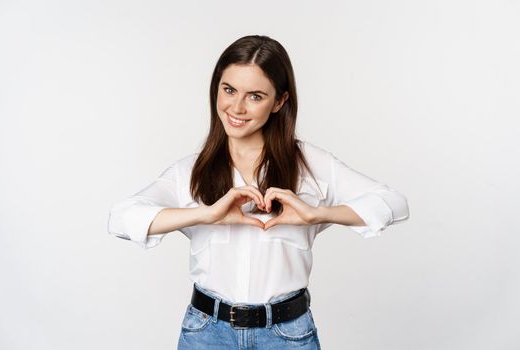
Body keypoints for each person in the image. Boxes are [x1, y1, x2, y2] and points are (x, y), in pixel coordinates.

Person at [107, 34, 410, 349]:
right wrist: (209, 214)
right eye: (229, 90)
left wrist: (317, 214)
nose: (236, 107)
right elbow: (121, 218)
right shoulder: (190, 171)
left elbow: (394, 203)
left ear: (279, 101)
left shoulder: (310, 165)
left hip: (287, 335)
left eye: (255, 96)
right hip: (207, 335)